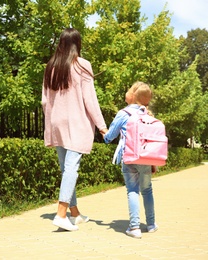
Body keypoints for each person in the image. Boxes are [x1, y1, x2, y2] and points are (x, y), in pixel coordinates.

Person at [42, 28, 108, 231]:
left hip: (56, 122)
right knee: (71, 168)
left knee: (65, 169)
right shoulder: (82, 65)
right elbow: (90, 100)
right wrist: (102, 126)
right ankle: (61, 215)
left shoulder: (51, 67)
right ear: (77, 44)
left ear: (60, 44)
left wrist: (51, 123)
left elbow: (45, 101)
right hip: (75, 122)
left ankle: (75, 213)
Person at [103, 81, 158, 238]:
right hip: (146, 158)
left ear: (133, 95)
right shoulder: (148, 115)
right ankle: (152, 224)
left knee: (132, 191)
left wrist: (104, 132)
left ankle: (134, 228)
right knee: (147, 190)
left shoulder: (124, 114)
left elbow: (109, 137)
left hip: (129, 158)